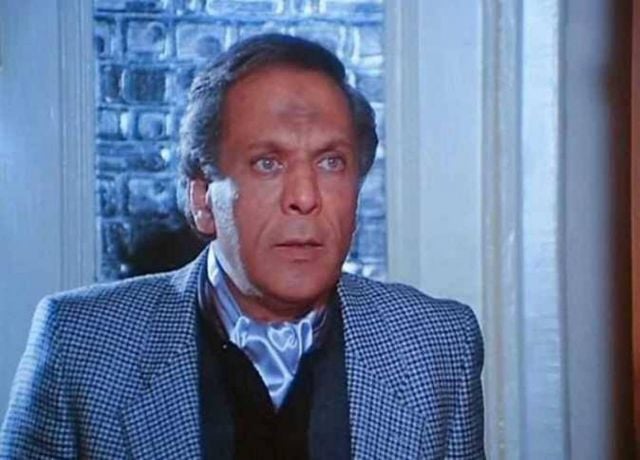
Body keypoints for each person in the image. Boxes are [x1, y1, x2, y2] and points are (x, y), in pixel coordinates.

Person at [0, 34, 484, 459]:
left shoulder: (439, 345)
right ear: (203, 200)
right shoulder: (81, 345)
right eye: (267, 163)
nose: (305, 197)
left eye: (331, 162)